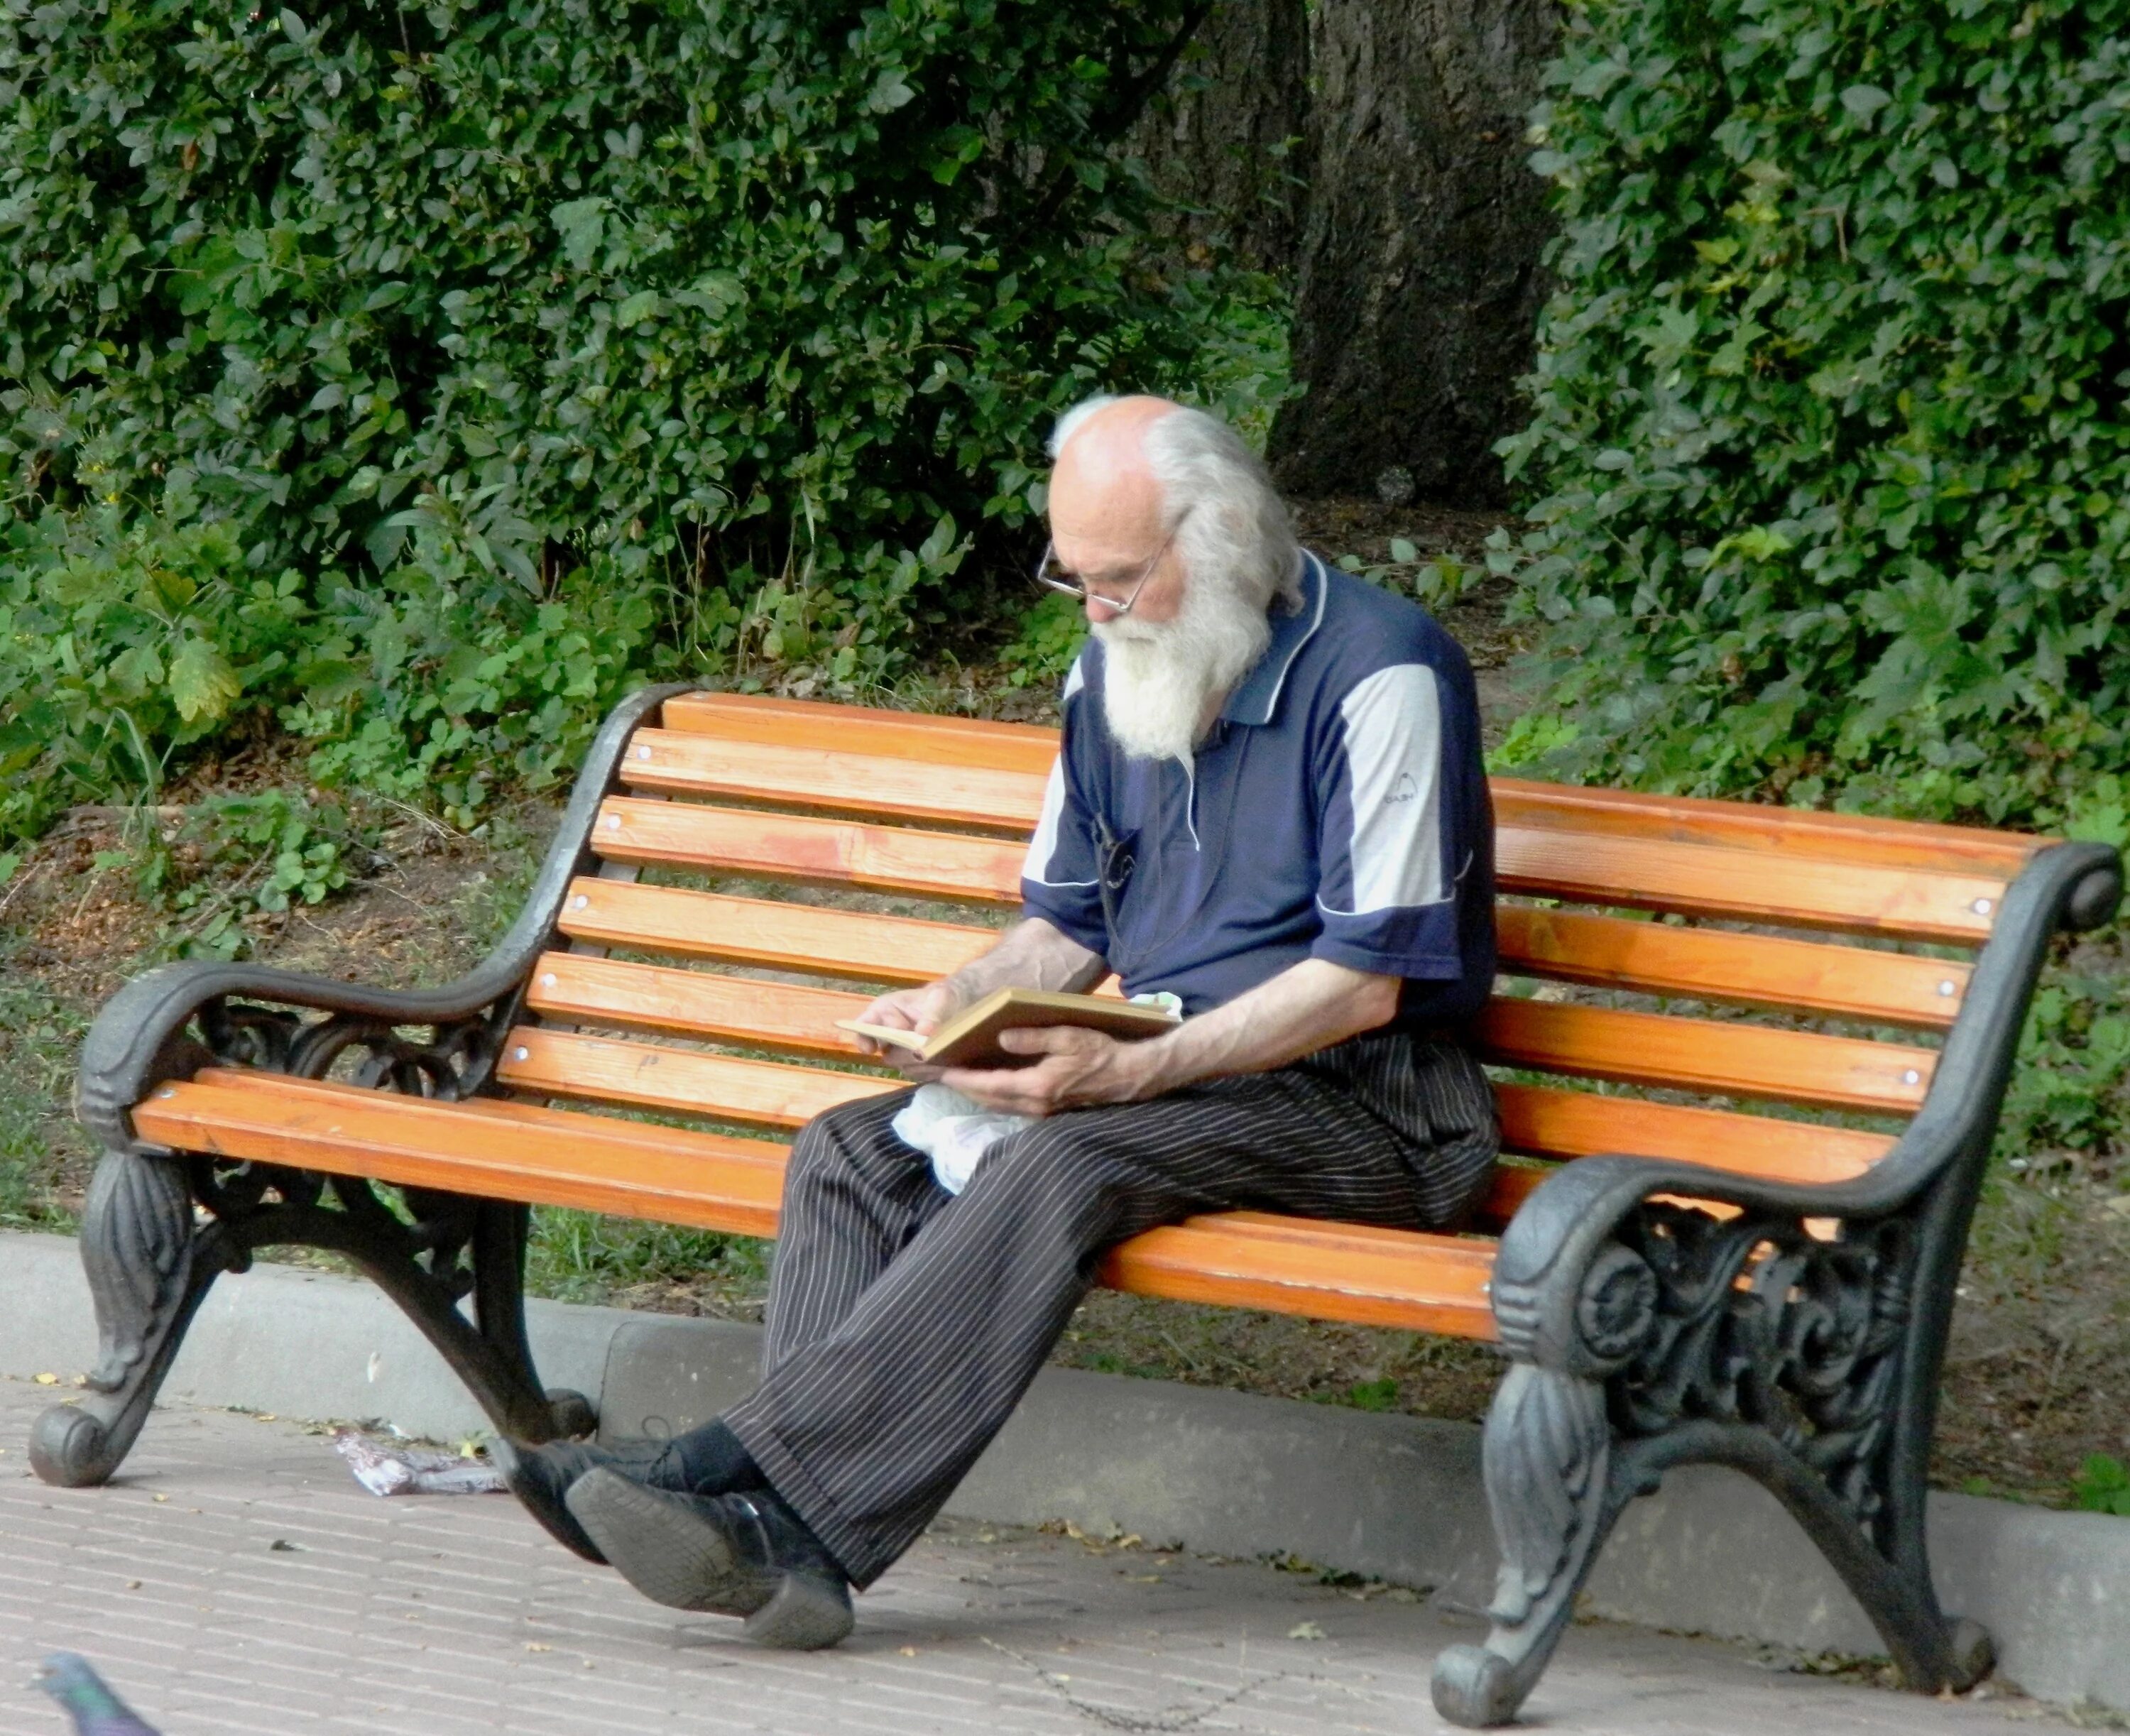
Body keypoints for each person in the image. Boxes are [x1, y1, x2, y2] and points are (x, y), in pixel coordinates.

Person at [496, 393, 1500, 1649]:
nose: (1094, 610)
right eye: (1074, 577)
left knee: (1065, 1154)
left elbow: (1367, 980)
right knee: (855, 1149)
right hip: (1186, 1074)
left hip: (1376, 1102)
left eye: (1121, 579)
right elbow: (1070, 923)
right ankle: (788, 1546)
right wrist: (958, 1002)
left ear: (1227, 535)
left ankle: (737, 1479)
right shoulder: (1115, 667)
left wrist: (1130, 1076)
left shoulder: (1382, 671)